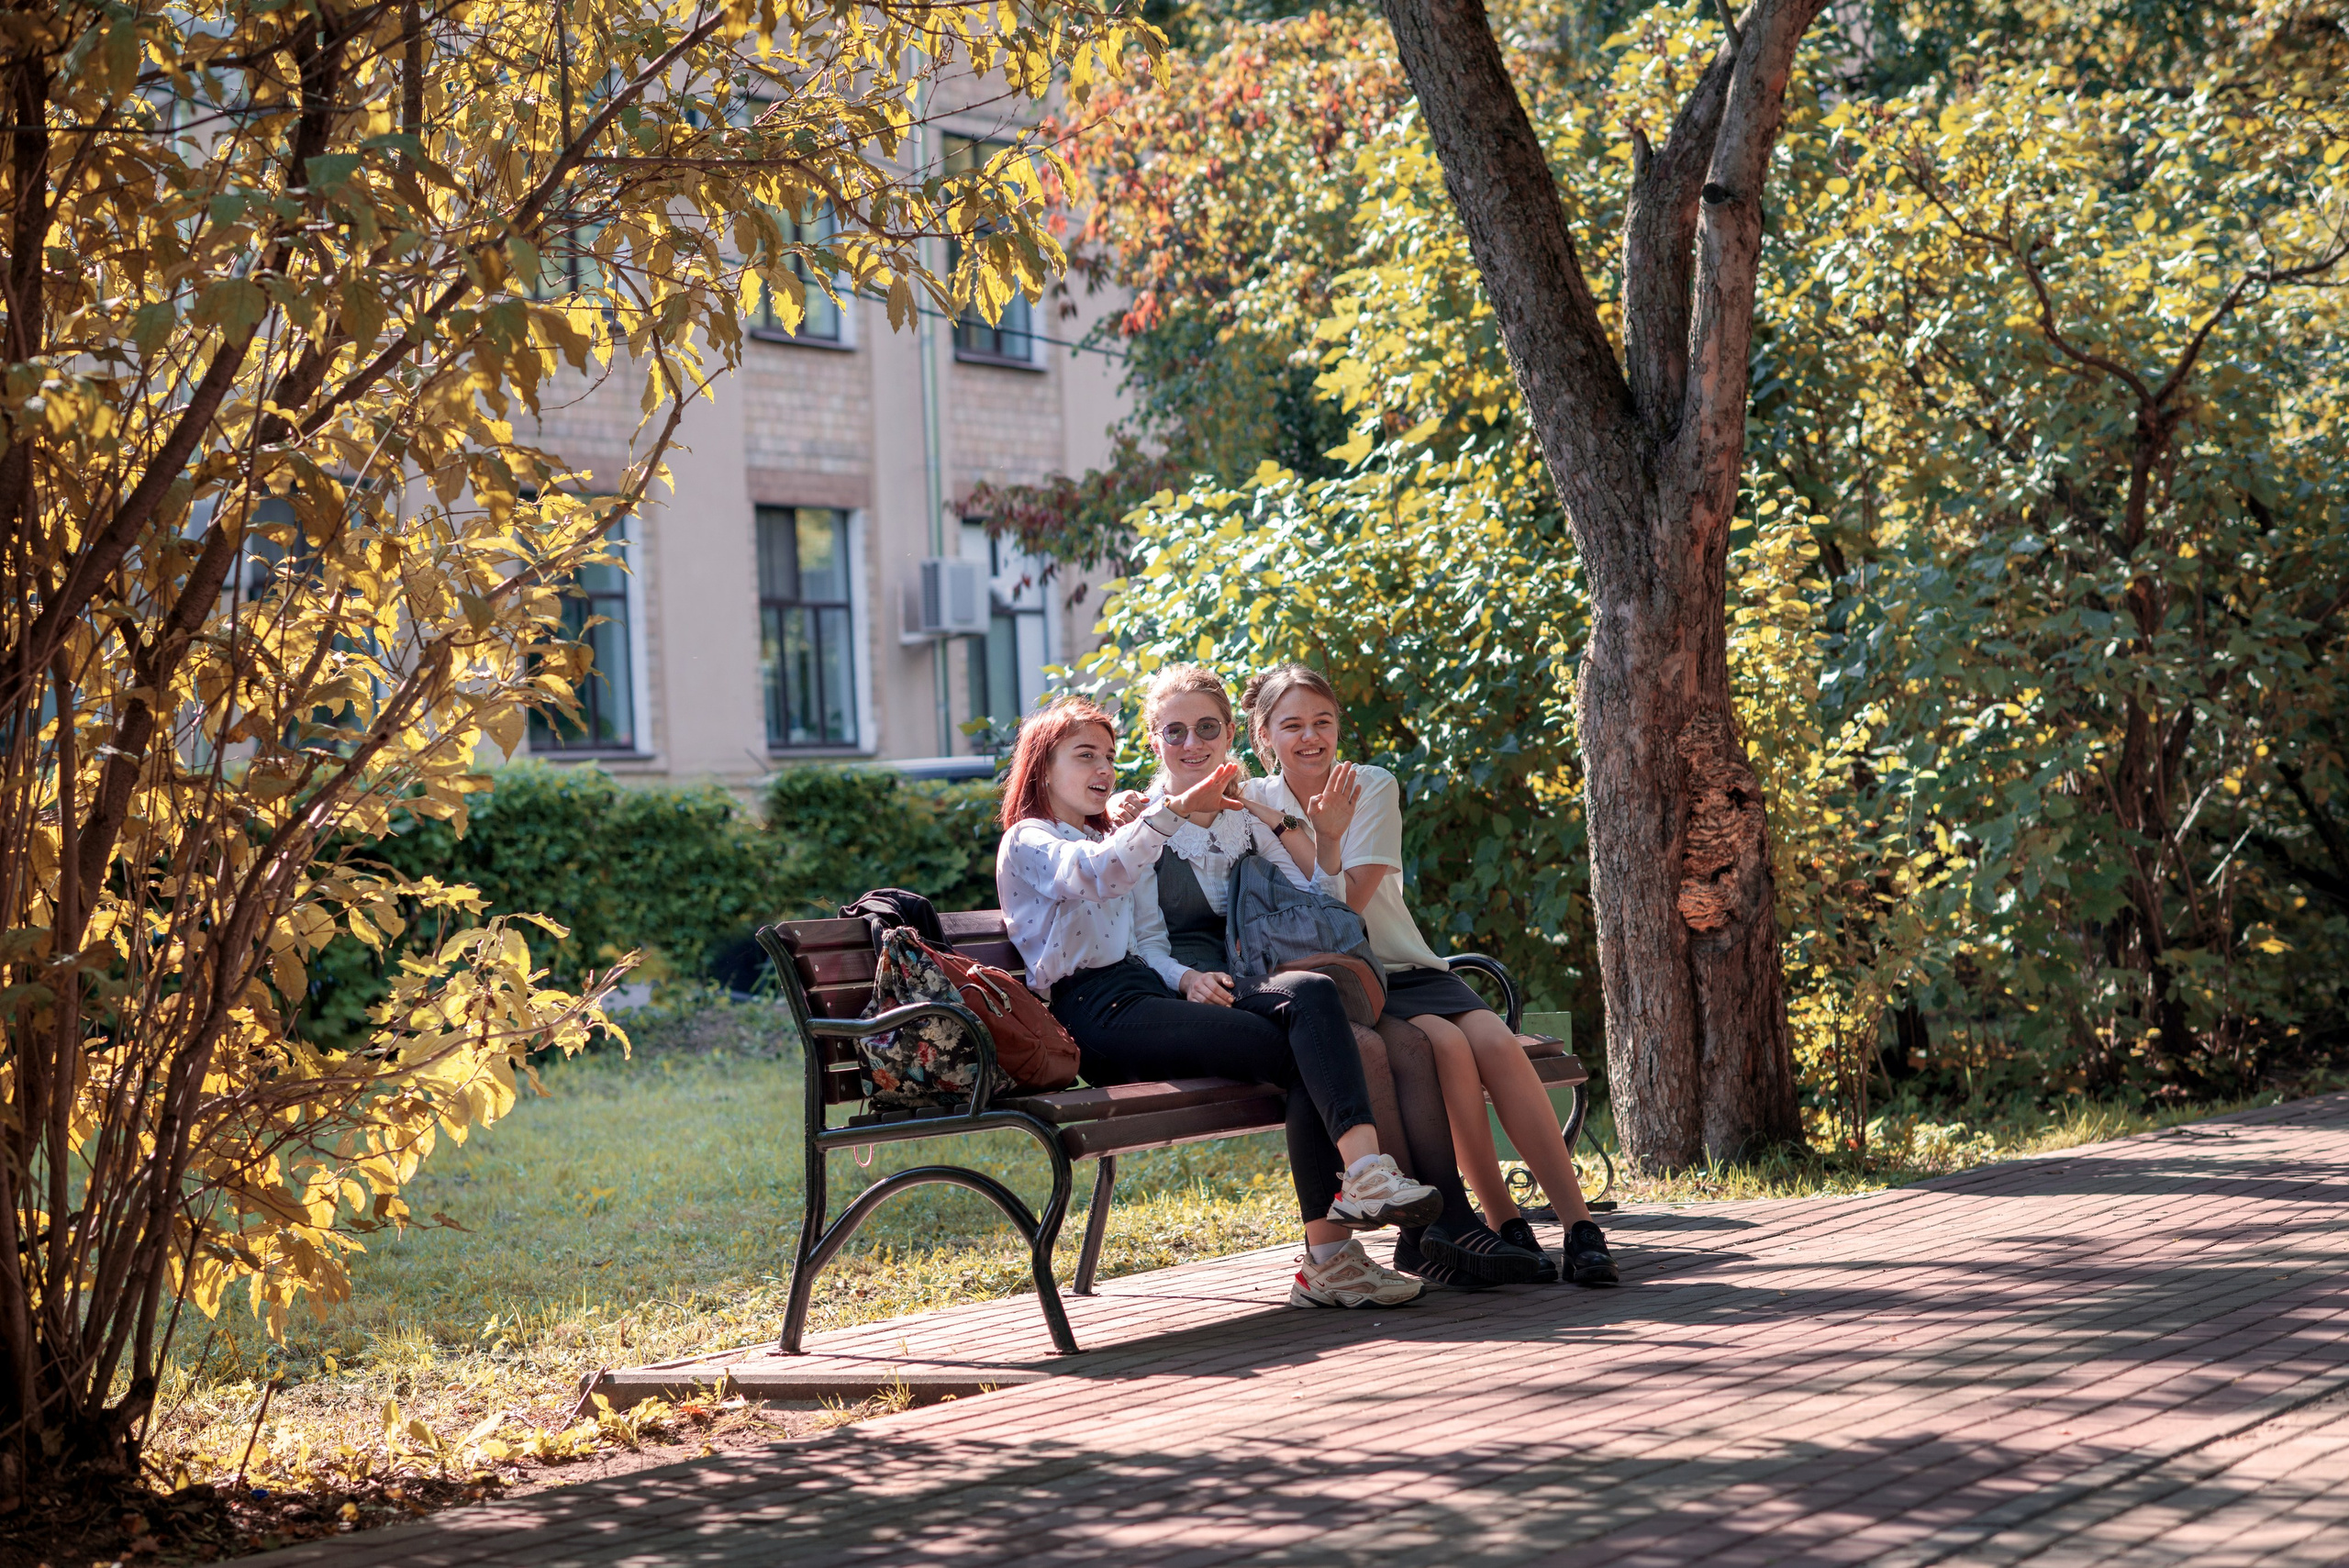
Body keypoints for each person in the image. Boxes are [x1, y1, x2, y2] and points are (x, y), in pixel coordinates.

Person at [994, 695, 1442, 1308]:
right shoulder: (1030, 839)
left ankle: (1362, 1183)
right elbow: (1094, 873)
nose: (1103, 769)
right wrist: (1171, 811)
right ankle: (1334, 1254)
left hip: (1148, 993)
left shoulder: (1114, 831)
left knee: (1310, 996)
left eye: (1108, 757)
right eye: (1085, 756)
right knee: (1303, 1046)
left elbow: (1146, 929)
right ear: (1043, 768)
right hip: (1098, 1014)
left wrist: (1182, 976)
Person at [1122, 664, 1549, 1292]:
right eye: (1176, 731)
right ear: (1154, 739)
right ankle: (1422, 1229)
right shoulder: (1141, 821)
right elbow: (1144, 943)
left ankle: (1445, 1221)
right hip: (1201, 991)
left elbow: (1322, 900)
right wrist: (1186, 977)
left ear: (1231, 733)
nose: (1193, 744)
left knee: (1408, 1043)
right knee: (1361, 1045)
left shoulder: (1248, 813)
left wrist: (1320, 836)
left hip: (1267, 978)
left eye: (1207, 728)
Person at [1236, 664, 1620, 1286]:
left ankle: (1580, 1227)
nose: (1310, 737)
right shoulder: (1250, 800)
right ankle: (1502, 1221)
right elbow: (1180, 797)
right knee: (1446, 1046)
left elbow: (1350, 903)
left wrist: (1302, 831)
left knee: (1495, 1041)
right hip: (1348, 981)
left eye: (1323, 722)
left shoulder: (1368, 784)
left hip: (1404, 963)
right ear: (1263, 735)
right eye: (1292, 725)